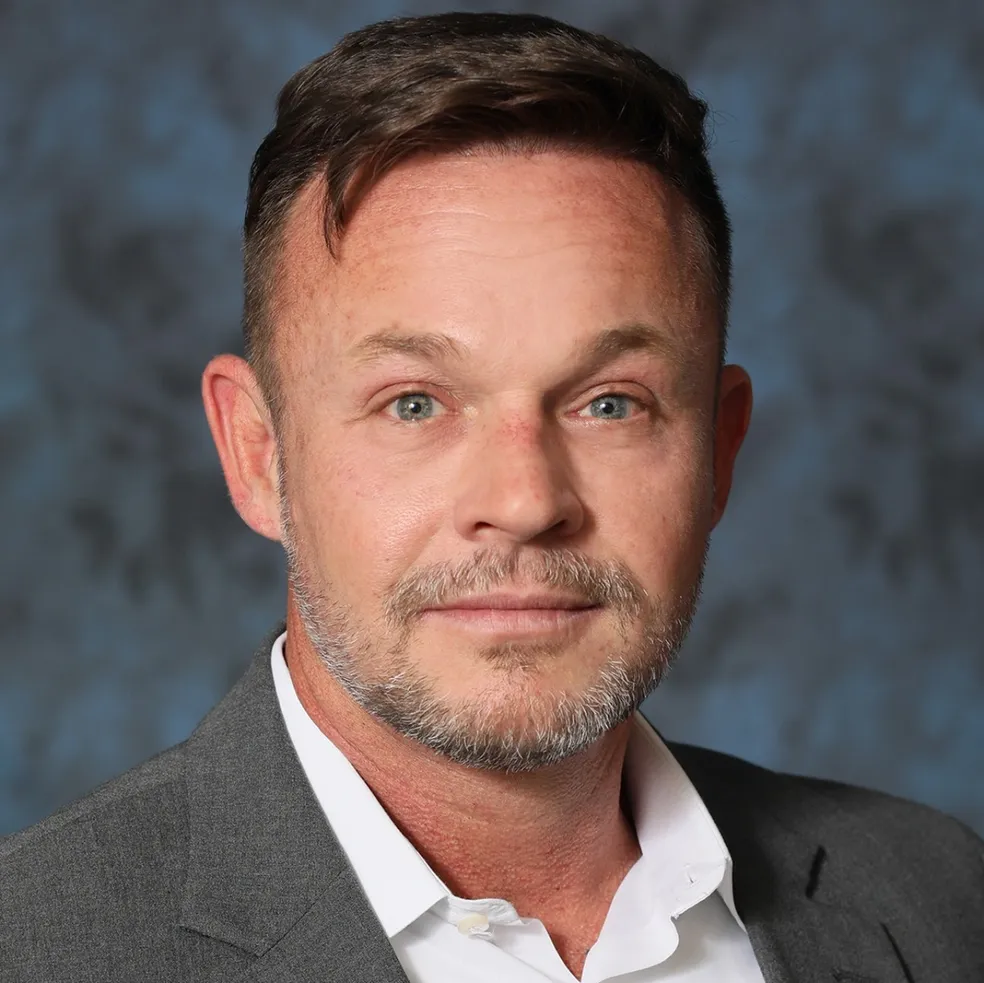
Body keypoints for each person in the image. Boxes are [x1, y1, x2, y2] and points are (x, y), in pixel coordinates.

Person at [1, 10, 981, 982]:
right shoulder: (38, 945)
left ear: (720, 449)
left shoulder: (942, 895)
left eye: (609, 402)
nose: (522, 499)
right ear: (259, 454)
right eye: (415, 401)